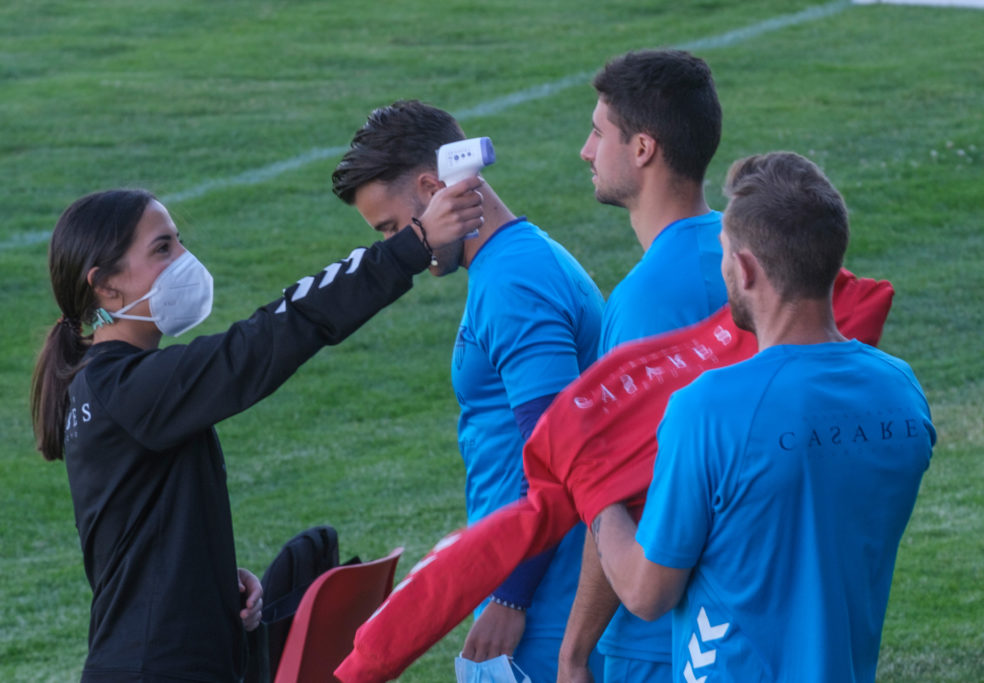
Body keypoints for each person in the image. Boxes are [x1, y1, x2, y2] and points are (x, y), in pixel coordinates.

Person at [29, 181, 483, 682]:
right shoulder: (126, 389)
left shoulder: (110, 387)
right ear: (106, 286)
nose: (184, 259)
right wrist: (412, 244)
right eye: (162, 248)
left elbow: (143, 534)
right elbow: (271, 337)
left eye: (179, 241)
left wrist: (211, 586)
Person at [589, 151, 935, 682]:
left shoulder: (708, 409)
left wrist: (595, 486)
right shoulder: (902, 394)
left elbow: (646, 592)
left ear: (746, 269)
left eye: (724, 253)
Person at [332, 99, 605, 680]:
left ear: (434, 189)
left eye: (393, 228)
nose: (398, 248)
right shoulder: (517, 261)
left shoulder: (515, 284)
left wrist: (510, 595)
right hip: (536, 581)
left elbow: (558, 456)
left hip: (546, 602)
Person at [558, 49, 726, 682]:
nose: (585, 151)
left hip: (661, 640)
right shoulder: (747, 254)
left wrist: (575, 651)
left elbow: (621, 490)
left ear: (643, 149)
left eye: (599, 132)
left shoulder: (646, 300)